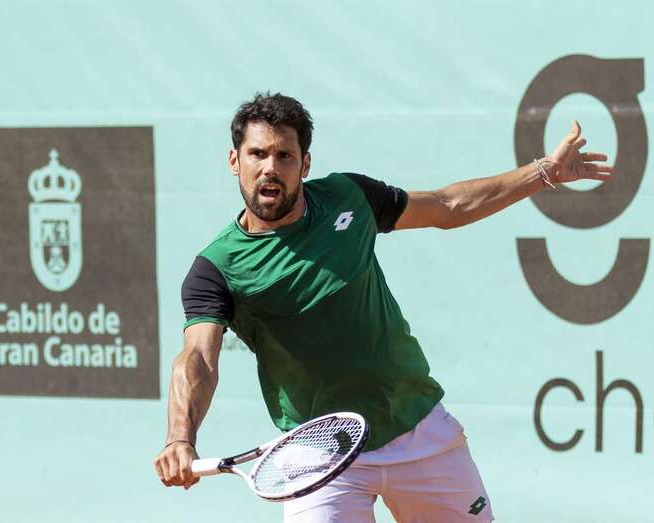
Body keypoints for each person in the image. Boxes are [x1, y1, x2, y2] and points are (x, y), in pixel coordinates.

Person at [153, 93, 612, 522]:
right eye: (257, 154)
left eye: (285, 156)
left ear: (305, 164)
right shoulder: (216, 270)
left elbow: (448, 205)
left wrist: (544, 171)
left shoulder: (348, 197)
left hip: (416, 426)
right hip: (318, 452)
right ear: (235, 161)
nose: (270, 167)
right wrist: (179, 436)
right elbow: (198, 359)